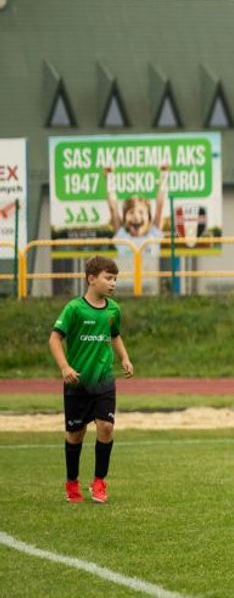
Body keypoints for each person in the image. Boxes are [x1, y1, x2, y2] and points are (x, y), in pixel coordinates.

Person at [47, 255, 133, 503]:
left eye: (115, 279)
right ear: (92, 279)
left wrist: (125, 358)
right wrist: (65, 367)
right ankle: (72, 482)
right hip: (78, 382)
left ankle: (99, 483)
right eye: (108, 278)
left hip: (104, 380)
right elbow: (54, 339)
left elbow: (114, 335)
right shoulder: (74, 309)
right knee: (76, 434)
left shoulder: (114, 309)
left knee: (106, 427)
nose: (113, 283)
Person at [105, 163, 168, 267]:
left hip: (150, 277)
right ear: (124, 218)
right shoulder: (123, 238)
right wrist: (109, 176)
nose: (136, 216)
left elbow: (160, 205)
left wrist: (164, 174)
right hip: (128, 278)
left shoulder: (154, 235)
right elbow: (113, 208)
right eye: (131, 212)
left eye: (141, 212)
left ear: (149, 218)